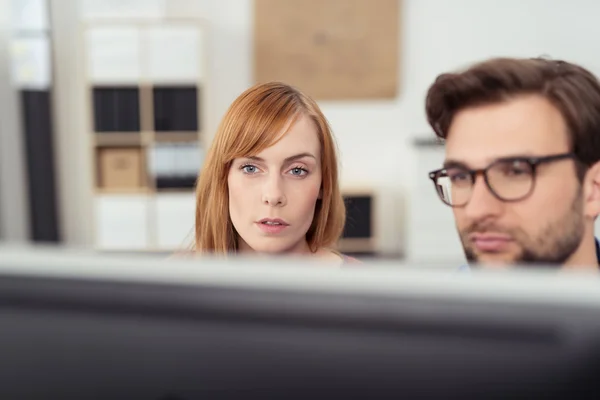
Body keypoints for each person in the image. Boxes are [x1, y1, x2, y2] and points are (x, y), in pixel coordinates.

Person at [425, 57, 600, 269]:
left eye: (516, 172)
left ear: (593, 190)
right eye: (460, 176)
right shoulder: (433, 301)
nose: (477, 210)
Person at [193, 81, 359, 263]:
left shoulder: (364, 286)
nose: (273, 196)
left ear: (323, 184)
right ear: (223, 177)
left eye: (297, 171)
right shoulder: (176, 283)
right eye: (251, 168)